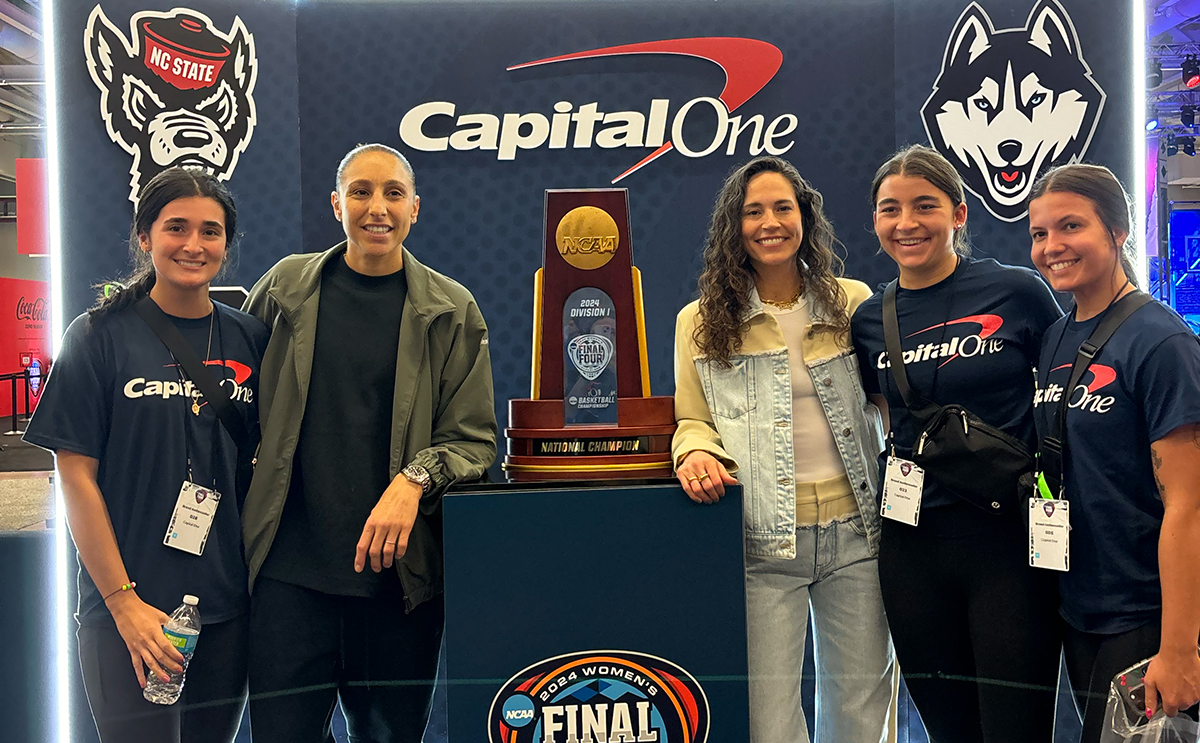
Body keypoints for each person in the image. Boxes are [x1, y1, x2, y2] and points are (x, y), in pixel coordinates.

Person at [242, 143, 497, 743]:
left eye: (392, 193)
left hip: (396, 589)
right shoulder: (284, 291)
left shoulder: (452, 310)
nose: (376, 207)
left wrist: (415, 479)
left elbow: (475, 440)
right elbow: (234, 402)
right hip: (287, 581)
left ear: (415, 209)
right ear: (336, 205)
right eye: (360, 192)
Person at [24, 167, 267, 743]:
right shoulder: (98, 335)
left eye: (210, 231)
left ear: (226, 244)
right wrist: (123, 604)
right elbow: (75, 476)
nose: (193, 244)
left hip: (226, 611)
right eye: (175, 227)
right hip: (127, 613)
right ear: (145, 237)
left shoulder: (250, 339)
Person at [672, 155, 895, 743]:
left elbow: (887, 404)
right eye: (753, 211)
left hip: (858, 536)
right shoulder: (699, 322)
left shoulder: (853, 302)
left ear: (805, 218)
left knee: (862, 717)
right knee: (768, 725)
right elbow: (692, 418)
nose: (769, 222)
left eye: (782, 207)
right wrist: (694, 453)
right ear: (733, 227)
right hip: (762, 542)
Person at [850, 145, 1063, 743]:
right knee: (949, 729)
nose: (907, 223)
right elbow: (885, 414)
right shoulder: (869, 319)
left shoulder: (1017, 293)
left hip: (1008, 543)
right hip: (913, 547)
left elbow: (1058, 401)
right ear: (875, 221)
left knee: (1015, 728)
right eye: (890, 209)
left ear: (959, 213)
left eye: (925, 205)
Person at [1027, 164, 1200, 742]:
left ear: (1118, 232)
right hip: (1080, 606)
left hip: (1143, 612)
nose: (1052, 247)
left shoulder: (1162, 342)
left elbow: (1189, 505)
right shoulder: (1059, 334)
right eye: (1039, 233)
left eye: (1070, 226)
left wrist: (1179, 649)